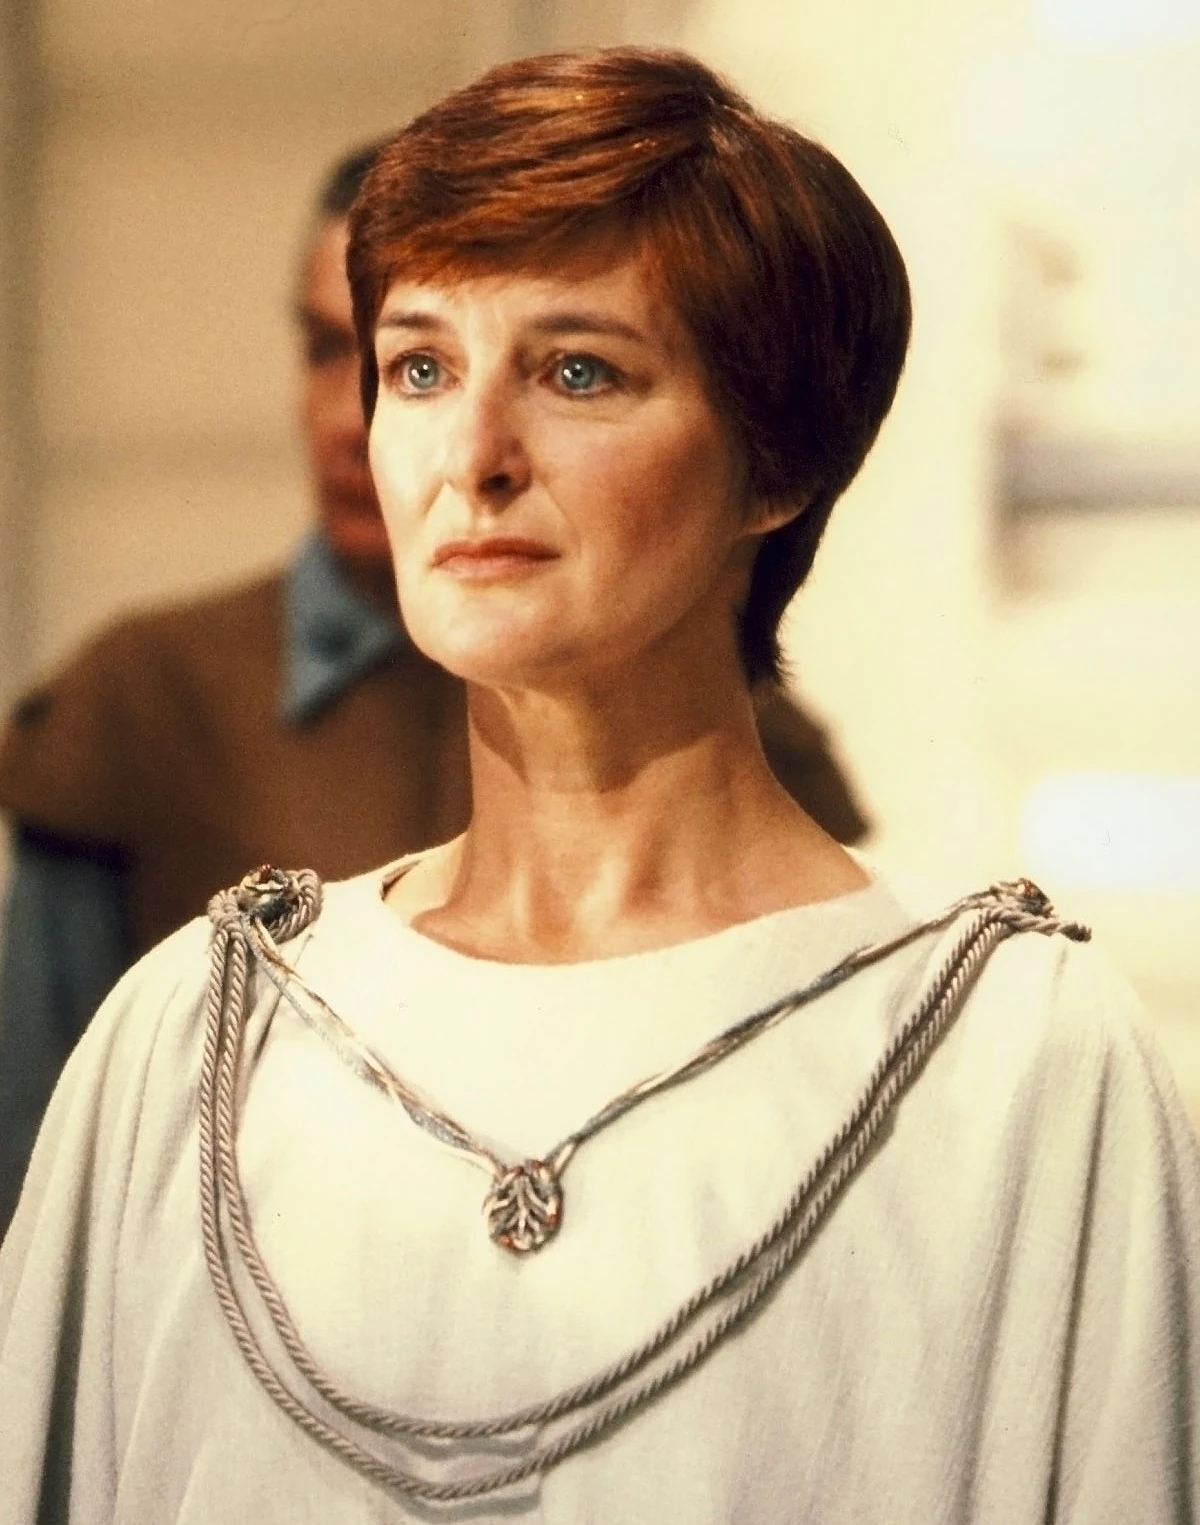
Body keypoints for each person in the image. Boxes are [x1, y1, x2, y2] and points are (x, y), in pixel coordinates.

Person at [3, 47, 1195, 1522]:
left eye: (579, 372)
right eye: (420, 368)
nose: (472, 456)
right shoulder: (197, 1034)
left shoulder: (1012, 1063)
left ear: (777, 462)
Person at [0, 142, 867, 1236]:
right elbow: (39, 1173)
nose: (352, 418)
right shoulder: (148, 700)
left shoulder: (753, 746)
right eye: (403, 366)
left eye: (574, 374)